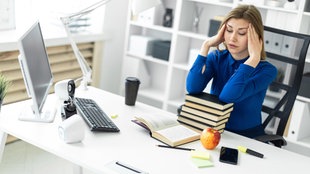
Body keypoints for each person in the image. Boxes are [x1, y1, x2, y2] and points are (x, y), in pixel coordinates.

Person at [186, 4, 277, 138]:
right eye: (229, 30)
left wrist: (253, 59)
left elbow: (227, 97)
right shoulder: (217, 57)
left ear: (256, 38)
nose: (232, 38)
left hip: (247, 136)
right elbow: (192, 88)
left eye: (241, 33)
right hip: (214, 130)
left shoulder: (267, 71)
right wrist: (205, 46)